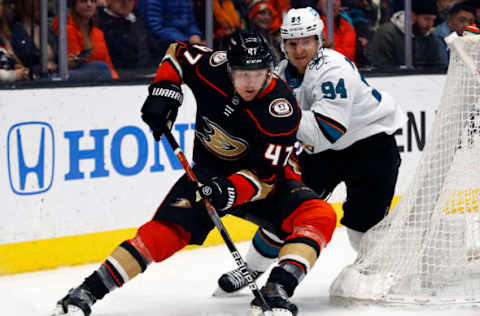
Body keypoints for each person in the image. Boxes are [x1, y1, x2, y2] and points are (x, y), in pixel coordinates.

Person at [49, 31, 337, 316]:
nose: (250, 83)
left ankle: (276, 291)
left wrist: (228, 190)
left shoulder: (281, 110)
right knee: (163, 233)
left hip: (263, 182)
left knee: (319, 216)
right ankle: (85, 293)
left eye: (258, 74)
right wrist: (165, 92)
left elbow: (265, 179)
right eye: (242, 74)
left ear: (269, 71)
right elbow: (176, 53)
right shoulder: (211, 66)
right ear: (228, 68)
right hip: (208, 172)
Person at [214, 7, 407, 296]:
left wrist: (271, 113)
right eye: (292, 43)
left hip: (371, 146)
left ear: (320, 40)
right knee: (286, 211)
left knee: (362, 226)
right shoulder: (280, 72)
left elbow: (327, 132)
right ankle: (251, 268)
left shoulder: (333, 68)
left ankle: (376, 271)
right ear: (283, 45)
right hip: (324, 153)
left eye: (306, 41)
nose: (299, 49)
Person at [367, 0, 445, 69]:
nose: (430, 25)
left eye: (433, 20)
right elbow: (381, 67)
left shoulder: (430, 38)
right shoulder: (387, 34)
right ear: (413, 16)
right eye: (426, 19)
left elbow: (438, 66)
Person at [52, 0, 118, 81]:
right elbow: (73, 64)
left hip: (102, 80)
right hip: (79, 81)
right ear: (74, 5)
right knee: (101, 68)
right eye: (83, 1)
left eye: (93, 1)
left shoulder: (98, 33)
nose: (89, 5)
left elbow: (109, 65)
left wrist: (117, 82)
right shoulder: (66, 29)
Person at [97, 0, 159, 78]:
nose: (125, 2)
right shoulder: (101, 25)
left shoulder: (138, 22)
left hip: (150, 74)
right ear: (108, 1)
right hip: (122, 79)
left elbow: (155, 51)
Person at [9, 0, 58, 77]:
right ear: (19, 4)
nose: (37, 3)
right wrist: (42, 69)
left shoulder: (46, 27)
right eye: (33, 0)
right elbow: (15, 66)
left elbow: (58, 57)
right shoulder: (12, 32)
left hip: (56, 79)